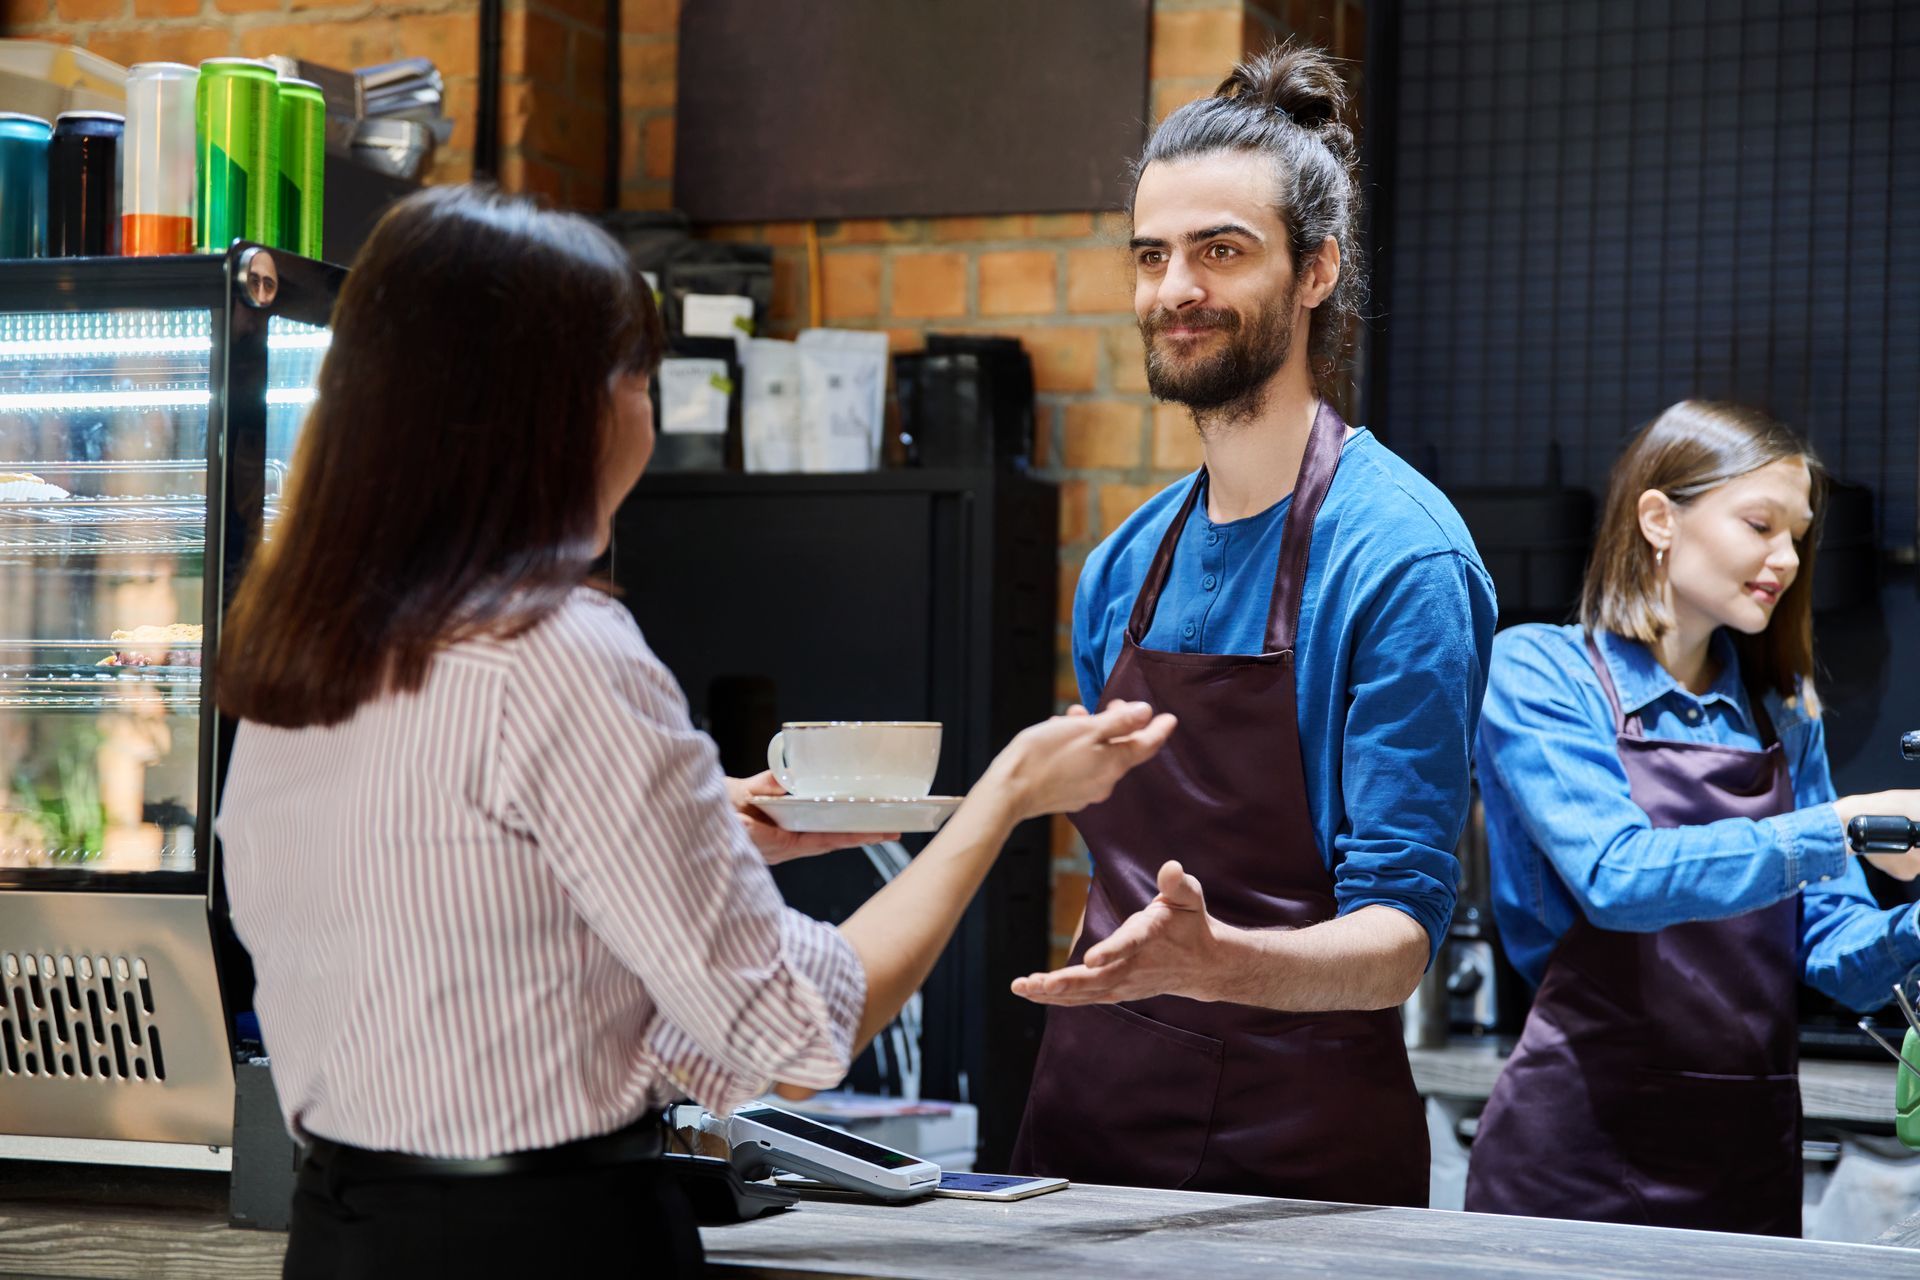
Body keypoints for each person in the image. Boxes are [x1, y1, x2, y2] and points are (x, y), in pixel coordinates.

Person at [213, 185, 1175, 1279]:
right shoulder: (563, 648)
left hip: (342, 1233)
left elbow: (458, 910)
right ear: (552, 412)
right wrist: (1003, 795)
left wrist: (704, 832)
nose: (648, 417)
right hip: (538, 1243)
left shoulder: (303, 644)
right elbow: (796, 1031)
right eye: (637, 380)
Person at [1007, 43, 1497, 1207]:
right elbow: (1111, 868)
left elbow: (1396, 936)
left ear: (1317, 270)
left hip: (1295, 1173)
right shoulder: (1123, 565)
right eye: (1152, 254)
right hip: (1086, 1132)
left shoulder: (1400, 558)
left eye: (1220, 250)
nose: (1176, 286)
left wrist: (1218, 962)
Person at [1463, 400, 1920, 1236]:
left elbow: (1841, 956)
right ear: (1658, 517)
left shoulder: (1784, 714)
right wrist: (1843, 828)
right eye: (1759, 524)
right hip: (1575, 1159)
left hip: (1746, 1154)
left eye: (1798, 535)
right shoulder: (1540, 672)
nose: (1784, 558)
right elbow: (1617, 878)